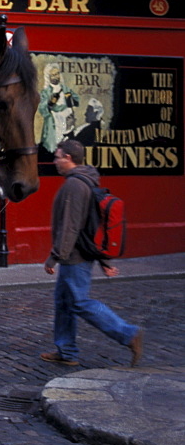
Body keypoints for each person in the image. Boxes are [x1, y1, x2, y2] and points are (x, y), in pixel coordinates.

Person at [41, 138, 143, 367]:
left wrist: (54, 256)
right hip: (78, 255)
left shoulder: (74, 185)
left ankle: (129, 334)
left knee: (79, 302)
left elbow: (71, 225)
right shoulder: (86, 181)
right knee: (64, 302)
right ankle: (67, 351)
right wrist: (104, 261)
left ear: (68, 158)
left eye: (57, 157)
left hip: (75, 257)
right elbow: (93, 224)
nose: (55, 162)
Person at [38, 64, 79, 160]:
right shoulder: (46, 92)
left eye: (57, 74)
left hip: (67, 122)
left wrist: (70, 99)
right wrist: (51, 103)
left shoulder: (66, 89)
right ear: (49, 77)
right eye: (53, 75)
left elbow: (76, 101)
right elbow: (43, 110)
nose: (56, 76)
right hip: (54, 122)